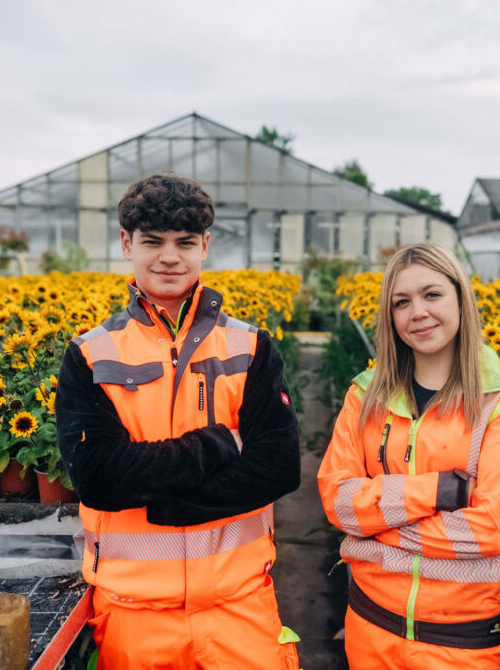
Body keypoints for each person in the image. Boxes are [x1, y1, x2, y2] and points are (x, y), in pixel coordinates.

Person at [56, 173, 302, 669]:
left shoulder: (251, 346)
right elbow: (100, 478)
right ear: (127, 244)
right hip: (134, 616)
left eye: (185, 242)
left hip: (240, 606)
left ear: (205, 246)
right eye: (153, 241)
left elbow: (278, 468)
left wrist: (163, 506)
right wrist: (219, 444)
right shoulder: (90, 354)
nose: (170, 256)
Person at [318, 243, 500, 669]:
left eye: (432, 294)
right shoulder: (363, 397)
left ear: (460, 298)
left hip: (465, 645)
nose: (417, 312)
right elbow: (339, 503)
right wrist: (439, 490)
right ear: (390, 315)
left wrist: (376, 531)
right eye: (402, 302)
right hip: (370, 631)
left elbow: (490, 529)